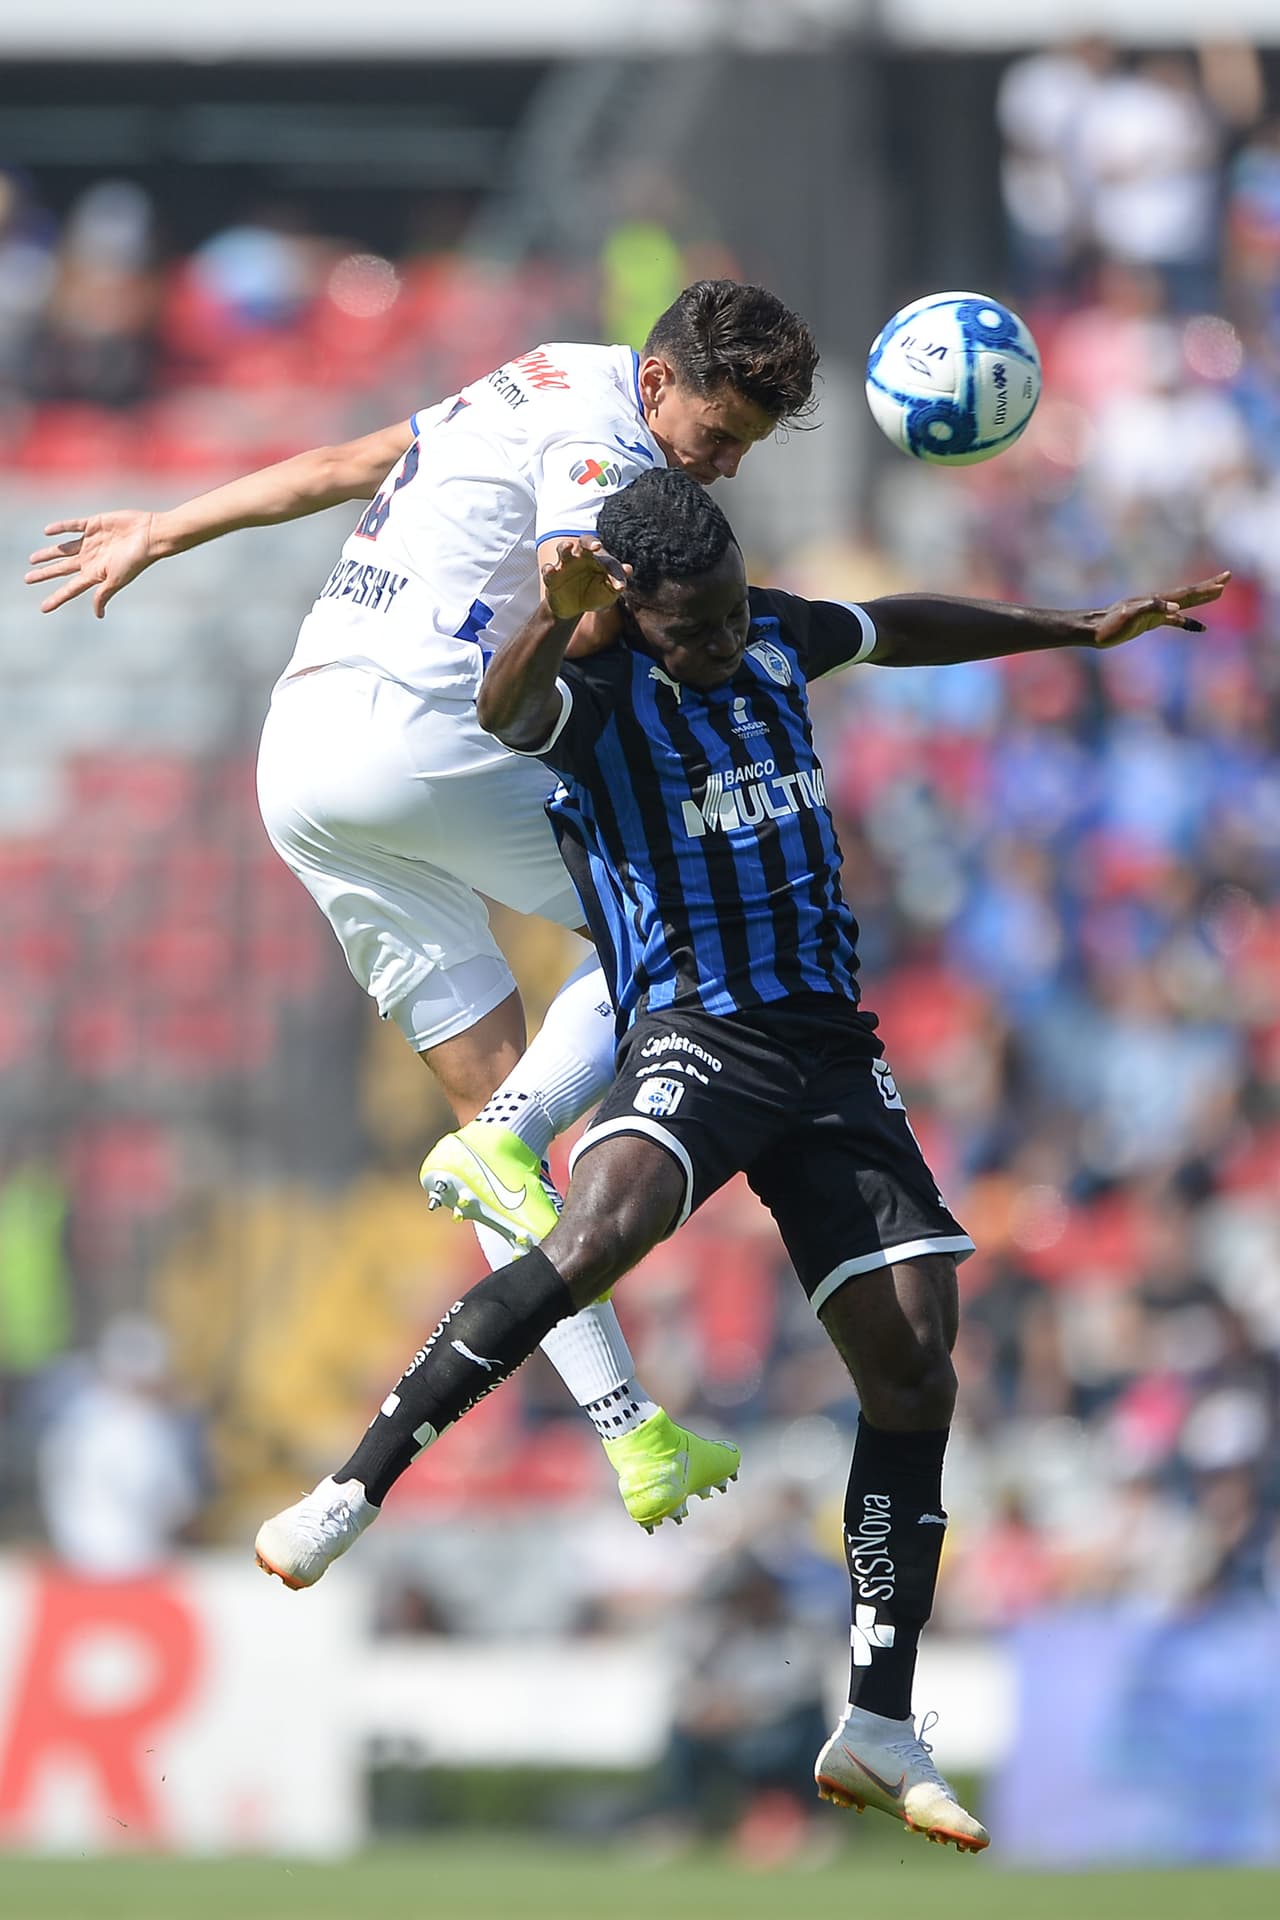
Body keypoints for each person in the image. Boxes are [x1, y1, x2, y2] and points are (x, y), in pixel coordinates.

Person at [253, 466, 1228, 1849]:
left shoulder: (768, 629)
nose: (717, 647)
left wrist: (1076, 630)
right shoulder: (592, 691)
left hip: (828, 1045)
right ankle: (352, 1487)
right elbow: (501, 709)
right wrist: (552, 616)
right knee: (602, 1228)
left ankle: (879, 1722)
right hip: (698, 1029)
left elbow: (894, 622)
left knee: (914, 1357)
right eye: (690, 627)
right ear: (631, 605)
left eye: (724, 617)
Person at [25, 281, 819, 1530]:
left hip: (304, 757)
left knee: (484, 1132)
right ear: (659, 381)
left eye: (738, 453)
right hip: (427, 734)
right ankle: (510, 1132)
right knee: (687, 936)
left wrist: (168, 528)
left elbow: (351, 461)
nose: (714, 468)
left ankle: (630, 1433)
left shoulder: (545, 369)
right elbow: (587, 582)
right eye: (715, 437)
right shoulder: (602, 440)